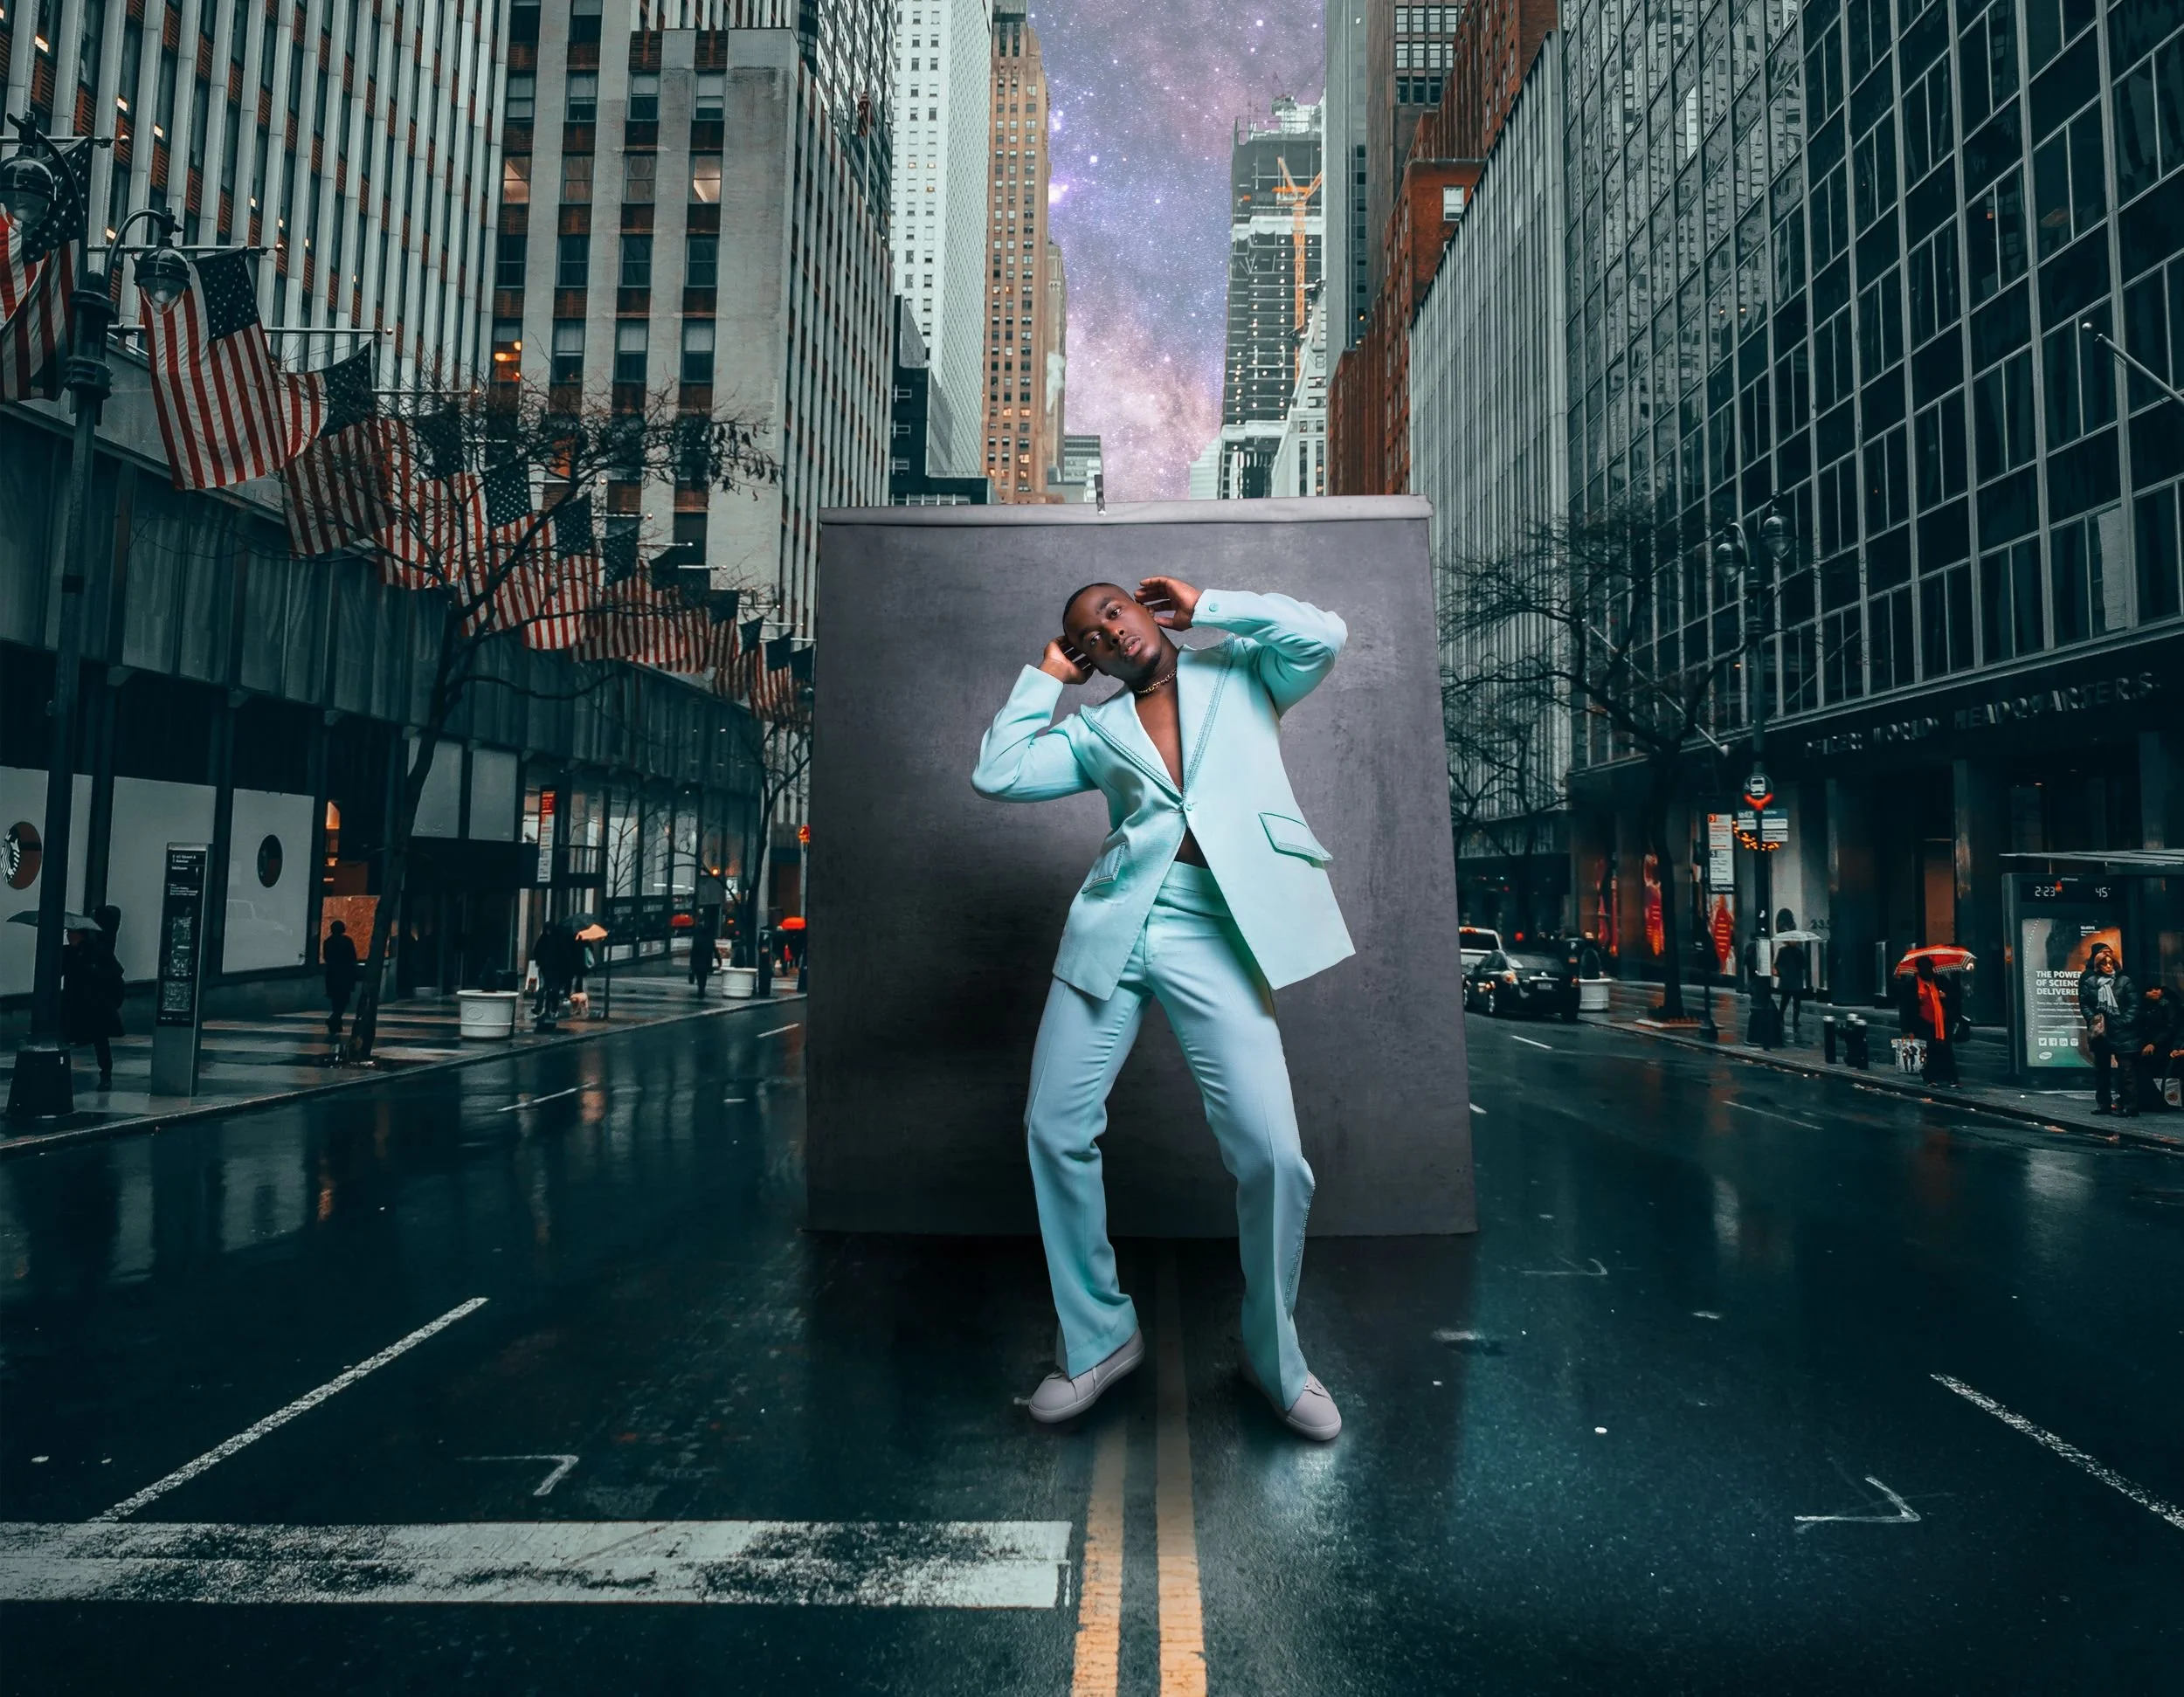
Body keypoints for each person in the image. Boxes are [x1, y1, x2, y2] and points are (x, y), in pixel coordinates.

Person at [972, 576, 1350, 1442]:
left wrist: (1210, 601)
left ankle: (1275, 1356)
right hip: (1113, 926)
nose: (1106, 633)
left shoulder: (1246, 670)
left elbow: (1325, 633)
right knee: (1053, 1127)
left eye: (1113, 611)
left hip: (1216, 928)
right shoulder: (1094, 729)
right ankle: (1098, 1336)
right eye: (1086, 637)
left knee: (1274, 1157)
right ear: (1089, 661)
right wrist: (1046, 676)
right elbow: (997, 772)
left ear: (1148, 609)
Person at [61, 914, 125, 1088]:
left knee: (100, 1040)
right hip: (73, 1002)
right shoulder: (67, 953)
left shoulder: (97, 952)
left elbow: (115, 976)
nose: (69, 936)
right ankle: (61, 1072)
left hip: (95, 1003)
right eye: (68, 933)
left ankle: (106, 1075)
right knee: (66, 1037)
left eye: (72, 933)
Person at [2077, 946, 2139, 1117]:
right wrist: (2093, 1019)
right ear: (2098, 966)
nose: (2108, 966)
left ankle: (2130, 1105)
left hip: (2122, 1031)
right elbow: (2085, 1003)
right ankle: (2103, 1104)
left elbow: (2134, 1004)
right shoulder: (2091, 982)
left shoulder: (2124, 981)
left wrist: (2124, 1021)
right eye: (2104, 964)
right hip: (2102, 1031)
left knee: (2126, 1071)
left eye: (2110, 963)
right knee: (2101, 1071)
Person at [1911, 955, 1959, 1087]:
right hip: (1924, 1021)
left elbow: (1955, 997)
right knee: (1929, 1049)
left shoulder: (1940, 980)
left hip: (1943, 1022)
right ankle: (1931, 1077)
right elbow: (1907, 1006)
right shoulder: (1913, 984)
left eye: (1929, 968)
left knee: (1946, 1049)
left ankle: (1951, 1078)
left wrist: (1945, 996)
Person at [533, 920, 576, 1031]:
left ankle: (551, 1009)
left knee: (552, 990)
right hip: (546, 970)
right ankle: (543, 1009)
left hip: (555, 970)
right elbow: (537, 952)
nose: (548, 932)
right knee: (545, 989)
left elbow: (563, 955)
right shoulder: (549, 940)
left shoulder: (554, 940)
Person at [322, 920, 361, 1040]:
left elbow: (326, 957)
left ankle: (336, 1022)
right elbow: (352, 957)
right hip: (345, 974)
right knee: (344, 999)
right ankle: (335, 1019)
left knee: (335, 1000)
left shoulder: (328, 941)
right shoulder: (347, 941)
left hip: (332, 974)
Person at [1774, 935, 1809, 1037]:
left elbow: (1803, 964)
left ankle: (1795, 1019)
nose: (1794, 941)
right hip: (1787, 979)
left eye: (1795, 940)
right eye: (1792, 940)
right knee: (1785, 1000)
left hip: (1795, 979)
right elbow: (1778, 964)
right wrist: (1782, 973)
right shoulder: (1783, 951)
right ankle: (1781, 1016)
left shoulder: (1799, 951)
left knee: (1797, 1002)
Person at [688, 907, 719, 997]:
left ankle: (700, 989)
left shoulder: (698, 939)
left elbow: (693, 952)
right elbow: (715, 950)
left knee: (699, 976)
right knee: (704, 976)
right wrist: (719, 960)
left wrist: (692, 963)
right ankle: (702, 989)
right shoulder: (709, 939)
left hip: (698, 962)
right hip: (706, 961)